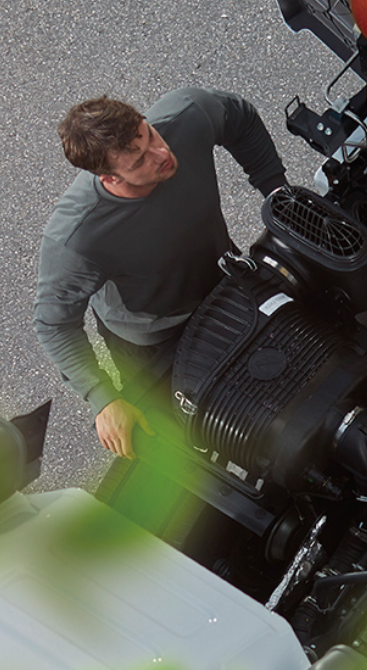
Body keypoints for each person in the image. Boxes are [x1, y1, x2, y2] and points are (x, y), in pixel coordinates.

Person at [34, 88, 288, 459]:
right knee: (192, 446)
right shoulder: (77, 238)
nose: (160, 154)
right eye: (138, 161)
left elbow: (240, 117)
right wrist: (103, 399)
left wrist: (279, 197)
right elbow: (53, 324)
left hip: (226, 287)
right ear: (109, 178)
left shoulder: (187, 115)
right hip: (155, 342)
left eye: (149, 135)